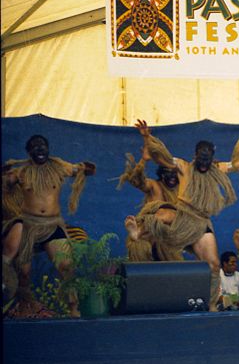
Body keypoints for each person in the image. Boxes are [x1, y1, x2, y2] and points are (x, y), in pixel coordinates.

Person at [124, 120, 239, 311]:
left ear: (212, 158)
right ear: (195, 155)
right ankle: (139, 232)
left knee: (212, 265)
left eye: (207, 160)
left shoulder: (217, 168)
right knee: (162, 214)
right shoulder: (182, 166)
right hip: (183, 214)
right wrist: (147, 137)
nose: (204, 164)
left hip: (202, 222)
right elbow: (161, 156)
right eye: (201, 159)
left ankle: (211, 303)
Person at [2, 135, 96, 316]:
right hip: (29, 225)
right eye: (35, 147)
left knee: (66, 266)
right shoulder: (21, 172)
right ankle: (24, 307)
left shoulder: (60, 168)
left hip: (53, 225)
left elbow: (83, 170)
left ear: (48, 149)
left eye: (43, 146)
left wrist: (85, 168)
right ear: (29, 152)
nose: (40, 150)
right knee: (24, 271)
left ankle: (74, 309)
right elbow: (6, 184)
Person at [117, 148, 183, 261]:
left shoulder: (180, 191)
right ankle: (138, 234)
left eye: (175, 176)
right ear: (162, 175)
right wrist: (143, 160)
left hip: (165, 237)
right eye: (169, 174)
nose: (172, 178)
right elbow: (136, 180)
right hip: (148, 233)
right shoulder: (154, 185)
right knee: (140, 251)